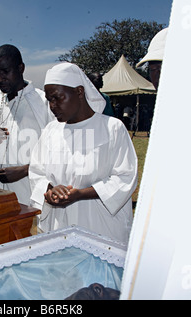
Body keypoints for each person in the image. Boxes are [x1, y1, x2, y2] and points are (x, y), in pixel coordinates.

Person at [29, 62, 138, 244]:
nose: (52, 106)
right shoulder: (51, 131)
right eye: (49, 100)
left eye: (57, 98)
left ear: (79, 92)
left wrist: (80, 194)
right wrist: (49, 190)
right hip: (59, 225)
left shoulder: (111, 128)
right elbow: (37, 171)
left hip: (101, 227)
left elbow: (125, 177)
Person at [0, 44, 54, 205]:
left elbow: (57, 154)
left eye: (5, 72)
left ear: (21, 68)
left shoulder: (42, 102)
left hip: (27, 195)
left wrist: (25, 170)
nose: (0, 78)